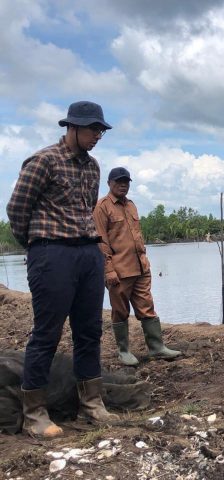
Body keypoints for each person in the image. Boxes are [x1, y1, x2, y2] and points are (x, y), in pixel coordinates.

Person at [6, 101, 119, 438]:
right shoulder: (43, 161)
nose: (97, 135)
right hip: (52, 253)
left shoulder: (93, 167)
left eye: (100, 130)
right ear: (71, 127)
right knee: (47, 333)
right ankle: (35, 413)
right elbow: (17, 209)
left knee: (90, 330)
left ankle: (92, 403)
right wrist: (39, 245)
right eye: (91, 129)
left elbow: (86, 209)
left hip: (88, 252)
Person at [93, 167, 182, 366]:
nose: (123, 185)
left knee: (147, 308)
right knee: (120, 311)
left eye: (126, 181)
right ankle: (123, 351)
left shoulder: (131, 205)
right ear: (109, 183)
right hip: (119, 271)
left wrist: (145, 263)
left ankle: (157, 348)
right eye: (118, 181)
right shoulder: (102, 207)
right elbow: (101, 241)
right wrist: (108, 269)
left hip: (141, 268)